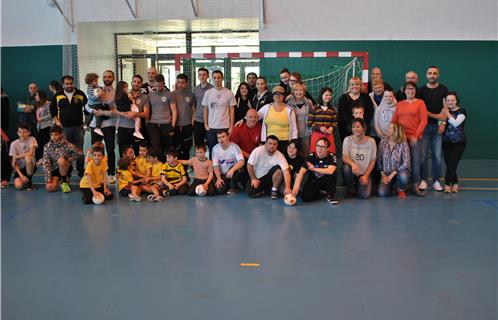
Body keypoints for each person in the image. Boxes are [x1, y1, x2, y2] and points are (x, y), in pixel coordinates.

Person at [391, 81, 428, 196]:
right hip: (401, 138)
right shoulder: (400, 104)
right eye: (408, 88)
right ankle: (402, 184)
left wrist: (416, 136)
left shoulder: (420, 103)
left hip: (414, 138)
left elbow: (423, 121)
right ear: (404, 90)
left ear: (415, 90)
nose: (410, 91)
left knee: (416, 161)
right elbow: (394, 121)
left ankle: (415, 184)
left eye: (412, 89)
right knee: (403, 162)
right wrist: (394, 136)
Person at [418, 66, 449, 192]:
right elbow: (421, 110)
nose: (432, 75)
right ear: (426, 75)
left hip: (438, 127)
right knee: (423, 155)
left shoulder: (443, 89)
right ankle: (423, 180)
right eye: (430, 73)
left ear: (438, 75)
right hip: (424, 126)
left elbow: (445, 107)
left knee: (436, 155)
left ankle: (436, 181)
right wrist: (436, 116)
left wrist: (442, 123)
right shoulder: (421, 90)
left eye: (435, 73)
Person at [50, 75, 88, 177]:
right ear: (63, 84)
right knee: (66, 152)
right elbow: (52, 109)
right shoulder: (57, 95)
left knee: (79, 151)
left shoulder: (80, 94)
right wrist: (56, 120)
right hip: (64, 128)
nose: (69, 85)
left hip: (78, 128)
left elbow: (88, 109)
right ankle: (67, 175)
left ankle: (81, 174)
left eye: (71, 83)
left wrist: (86, 123)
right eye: (67, 84)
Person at [88, 70, 117, 183]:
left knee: (110, 149)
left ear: (113, 78)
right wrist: (93, 110)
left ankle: (111, 174)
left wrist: (104, 113)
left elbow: (116, 111)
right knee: (95, 149)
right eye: (105, 77)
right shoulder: (96, 89)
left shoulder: (116, 92)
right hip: (95, 125)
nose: (107, 78)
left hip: (109, 124)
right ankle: (94, 173)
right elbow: (88, 105)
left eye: (109, 77)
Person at [292, 137, 339, 204]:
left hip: (326, 181)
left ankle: (331, 195)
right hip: (314, 180)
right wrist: (295, 187)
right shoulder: (310, 157)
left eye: (323, 146)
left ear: (328, 148)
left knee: (333, 173)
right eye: (318, 146)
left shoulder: (332, 156)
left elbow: (330, 171)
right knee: (305, 198)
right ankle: (322, 193)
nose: (320, 149)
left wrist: (314, 169)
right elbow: (301, 172)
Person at [254, 86, 298, 153]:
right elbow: (254, 117)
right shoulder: (266, 108)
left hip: (285, 143)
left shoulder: (290, 110)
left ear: (283, 96)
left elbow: (294, 128)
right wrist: (244, 120)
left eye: (280, 94)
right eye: (276, 94)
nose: (278, 96)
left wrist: (293, 142)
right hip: (270, 142)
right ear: (273, 96)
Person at [246, 135, 292, 199]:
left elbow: (286, 172)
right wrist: (253, 178)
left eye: (274, 144)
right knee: (250, 192)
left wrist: (288, 187)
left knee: (279, 169)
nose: (272, 146)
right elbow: (249, 165)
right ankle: (266, 189)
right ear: (265, 143)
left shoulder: (280, 155)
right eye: (270, 143)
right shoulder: (258, 151)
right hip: (258, 177)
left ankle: (274, 190)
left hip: (271, 176)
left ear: (277, 145)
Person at [202, 70, 236, 156]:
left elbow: (232, 110)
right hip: (212, 128)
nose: (217, 80)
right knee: (212, 151)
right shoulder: (208, 93)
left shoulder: (229, 93)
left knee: (225, 151)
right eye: (214, 78)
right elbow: (205, 109)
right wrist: (206, 125)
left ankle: (226, 169)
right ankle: (213, 169)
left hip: (225, 127)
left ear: (222, 78)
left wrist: (231, 126)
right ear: (212, 79)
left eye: (219, 78)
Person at [342, 118, 377, 199]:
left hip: (365, 172)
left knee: (365, 195)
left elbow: (373, 161)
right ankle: (350, 190)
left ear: (363, 128)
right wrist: (353, 164)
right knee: (346, 168)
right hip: (353, 171)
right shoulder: (347, 140)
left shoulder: (371, 141)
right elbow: (344, 157)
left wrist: (366, 176)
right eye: (353, 127)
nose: (355, 129)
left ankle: (359, 185)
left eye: (358, 127)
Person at [115, 74, 150, 155]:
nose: (136, 83)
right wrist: (124, 114)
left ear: (141, 84)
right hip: (122, 127)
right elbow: (114, 110)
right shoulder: (123, 94)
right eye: (134, 81)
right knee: (123, 153)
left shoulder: (145, 97)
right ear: (131, 82)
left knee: (138, 153)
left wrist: (135, 114)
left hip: (135, 129)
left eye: (138, 82)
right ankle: (124, 168)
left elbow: (146, 114)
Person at [43, 125, 83, 193]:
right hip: (55, 170)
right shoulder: (47, 146)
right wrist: (48, 180)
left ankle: (64, 181)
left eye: (56, 135)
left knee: (61, 160)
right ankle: (60, 179)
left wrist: (68, 159)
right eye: (51, 135)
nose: (53, 137)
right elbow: (46, 163)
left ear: (61, 134)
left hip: (65, 167)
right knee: (50, 189)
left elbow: (79, 154)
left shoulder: (68, 145)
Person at [441, 92, 466, 193]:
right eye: (448, 100)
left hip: (459, 142)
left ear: (456, 101)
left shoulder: (462, 111)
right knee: (450, 164)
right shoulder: (444, 111)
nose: (450, 102)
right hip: (446, 142)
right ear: (446, 102)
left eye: (452, 100)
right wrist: (443, 118)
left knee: (453, 163)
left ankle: (447, 184)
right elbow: (441, 124)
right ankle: (455, 183)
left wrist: (447, 113)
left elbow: (456, 123)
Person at [147, 74, 177, 159]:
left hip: (166, 124)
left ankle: (165, 167)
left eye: (160, 85)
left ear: (163, 84)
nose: (158, 87)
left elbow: (174, 110)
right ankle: (157, 167)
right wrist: (147, 123)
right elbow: (147, 110)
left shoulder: (169, 94)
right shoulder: (150, 95)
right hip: (153, 124)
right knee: (156, 146)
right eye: (156, 85)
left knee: (167, 147)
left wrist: (173, 125)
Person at [377, 123, 411, 198]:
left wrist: (392, 175)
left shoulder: (403, 143)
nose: (387, 129)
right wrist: (384, 175)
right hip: (386, 174)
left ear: (395, 131)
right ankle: (392, 186)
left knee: (403, 177)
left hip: (399, 172)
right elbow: (379, 161)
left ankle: (401, 189)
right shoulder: (383, 142)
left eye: (390, 128)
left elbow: (406, 162)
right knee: (382, 194)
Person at [338, 77, 374, 142]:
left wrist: (361, 124)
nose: (355, 86)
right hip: (347, 130)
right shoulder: (343, 98)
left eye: (357, 84)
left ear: (360, 86)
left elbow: (369, 112)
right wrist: (354, 124)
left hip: (363, 129)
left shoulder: (366, 97)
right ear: (349, 86)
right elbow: (342, 113)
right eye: (352, 84)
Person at [212, 129, 245, 195]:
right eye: (219, 138)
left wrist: (232, 170)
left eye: (223, 136)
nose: (221, 139)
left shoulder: (235, 147)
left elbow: (242, 162)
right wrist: (218, 179)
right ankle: (230, 185)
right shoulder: (215, 149)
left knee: (239, 169)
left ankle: (233, 187)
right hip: (223, 174)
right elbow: (215, 166)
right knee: (220, 191)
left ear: (228, 136)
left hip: (233, 173)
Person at [307, 87, 338, 154]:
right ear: (321, 95)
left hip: (329, 135)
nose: (328, 97)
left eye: (330, 95)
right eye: (326, 95)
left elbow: (335, 123)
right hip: (316, 135)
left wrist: (331, 128)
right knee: (315, 153)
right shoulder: (314, 108)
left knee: (330, 153)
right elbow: (309, 123)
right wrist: (319, 128)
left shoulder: (333, 109)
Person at [173, 73, 195, 162]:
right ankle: (177, 170)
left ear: (186, 84)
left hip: (187, 126)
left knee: (186, 150)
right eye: (179, 82)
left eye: (182, 83)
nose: (180, 84)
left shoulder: (191, 95)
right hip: (176, 126)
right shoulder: (172, 94)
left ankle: (185, 171)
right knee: (176, 149)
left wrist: (192, 124)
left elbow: (194, 110)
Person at [286, 81, 313, 156]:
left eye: (301, 90)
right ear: (293, 92)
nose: (299, 92)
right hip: (293, 133)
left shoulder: (309, 103)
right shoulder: (289, 104)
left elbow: (312, 116)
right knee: (295, 153)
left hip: (306, 133)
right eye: (296, 90)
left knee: (306, 153)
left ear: (304, 92)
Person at [9, 123, 37, 191]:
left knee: (28, 158)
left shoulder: (32, 139)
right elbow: (14, 163)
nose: (22, 133)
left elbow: (30, 153)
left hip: (31, 165)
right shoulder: (14, 144)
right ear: (17, 133)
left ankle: (29, 180)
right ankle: (24, 179)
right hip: (20, 169)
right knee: (18, 186)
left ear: (29, 132)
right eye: (20, 132)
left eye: (24, 131)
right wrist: (21, 175)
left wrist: (16, 157)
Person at [193, 68, 214, 148]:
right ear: (198, 76)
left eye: (204, 75)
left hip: (210, 120)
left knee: (211, 143)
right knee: (199, 144)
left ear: (208, 76)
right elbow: (194, 105)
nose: (202, 77)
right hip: (198, 120)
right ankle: (199, 160)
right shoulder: (195, 89)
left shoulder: (212, 89)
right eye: (200, 75)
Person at [84, 72, 108, 136]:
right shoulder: (90, 88)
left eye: (97, 80)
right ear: (90, 82)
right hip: (94, 104)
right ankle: (97, 128)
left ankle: (86, 125)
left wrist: (103, 90)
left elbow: (100, 88)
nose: (97, 82)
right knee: (98, 114)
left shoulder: (96, 86)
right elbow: (92, 97)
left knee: (92, 115)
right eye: (95, 81)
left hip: (97, 103)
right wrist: (98, 96)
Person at [35, 90, 54, 161]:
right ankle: (41, 159)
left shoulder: (48, 104)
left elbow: (51, 115)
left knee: (46, 143)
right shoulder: (39, 105)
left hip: (47, 127)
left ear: (41, 96)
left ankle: (47, 159)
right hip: (40, 127)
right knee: (40, 144)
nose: (35, 97)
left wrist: (42, 118)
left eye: (37, 95)